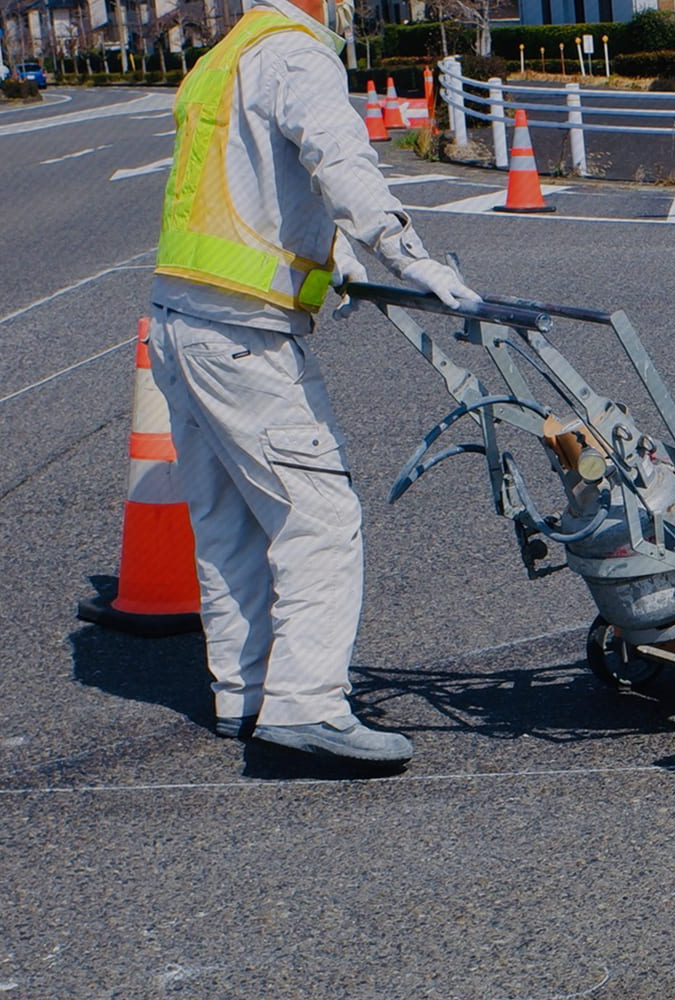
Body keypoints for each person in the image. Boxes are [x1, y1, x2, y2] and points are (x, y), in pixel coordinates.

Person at [146, 0, 480, 764]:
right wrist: (409, 255)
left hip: (178, 320)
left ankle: (245, 692)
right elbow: (337, 158)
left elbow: (257, 186)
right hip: (243, 334)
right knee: (320, 517)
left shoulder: (226, 54)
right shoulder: (296, 52)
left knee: (228, 519)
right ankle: (307, 706)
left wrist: (338, 259)